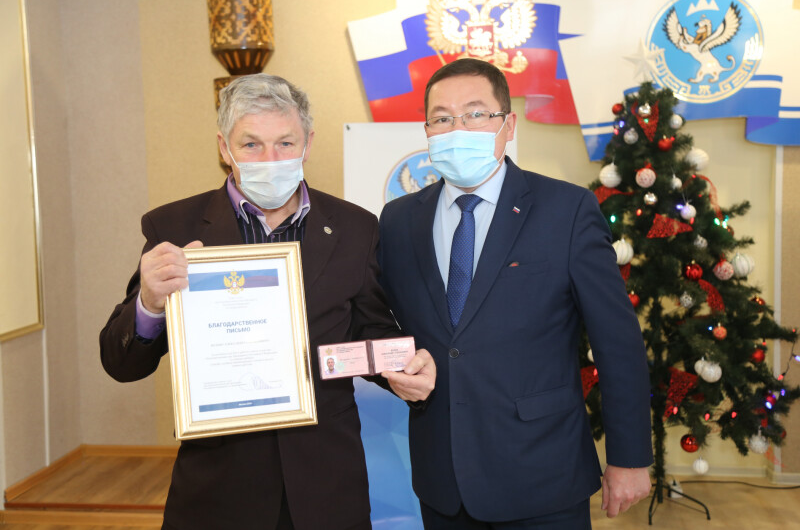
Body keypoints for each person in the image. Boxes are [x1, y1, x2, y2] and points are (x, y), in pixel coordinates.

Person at [99, 73, 435, 530]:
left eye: (285, 143)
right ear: (224, 147)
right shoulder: (174, 227)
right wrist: (150, 303)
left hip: (326, 482)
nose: (271, 159)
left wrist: (404, 365)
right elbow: (121, 364)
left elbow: (367, 329)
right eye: (252, 144)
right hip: (220, 489)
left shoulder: (355, 227)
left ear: (308, 144)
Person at [377, 58, 653, 529]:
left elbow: (617, 341)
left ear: (508, 125)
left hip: (542, 473)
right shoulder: (399, 219)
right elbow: (381, 319)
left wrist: (629, 458)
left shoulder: (567, 209)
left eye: (475, 114)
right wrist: (393, 373)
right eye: (442, 118)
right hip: (441, 476)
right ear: (426, 131)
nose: (457, 129)